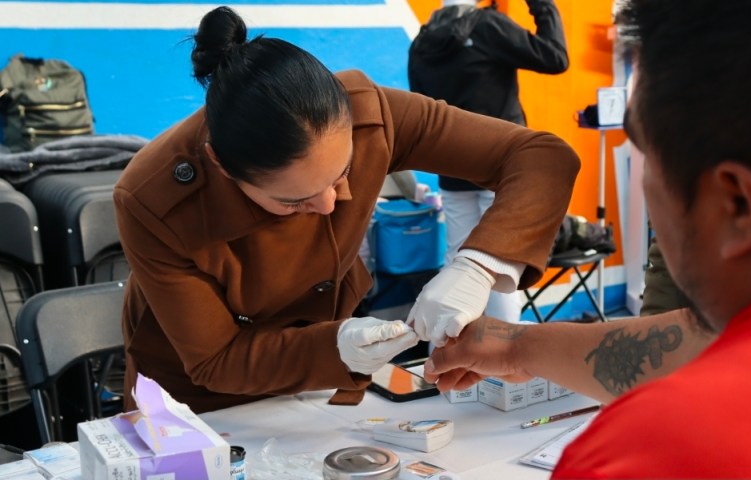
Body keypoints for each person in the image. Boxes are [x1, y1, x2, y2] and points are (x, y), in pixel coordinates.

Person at [423, 0, 751, 476]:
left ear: (736, 204)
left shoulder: (645, 451)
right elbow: (700, 343)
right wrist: (518, 345)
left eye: (646, 152)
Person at [113, 6, 580, 413]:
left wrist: (478, 265)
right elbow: (217, 359)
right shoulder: (152, 201)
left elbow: (541, 157)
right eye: (294, 201)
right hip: (196, 405)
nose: (329, 203)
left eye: (342, 174)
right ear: (222, 167)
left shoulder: (371, 115)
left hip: (314, 380)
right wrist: (334, 347)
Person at [407, 0, 568, 322]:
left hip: (452, 168)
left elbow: (424, 110)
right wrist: (541, 5)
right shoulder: (489, 26)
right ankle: (505, 351)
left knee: (457, 261)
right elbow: (555, 57)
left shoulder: (422, 41)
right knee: (499, 264)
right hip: (501, 166)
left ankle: (447, 345)